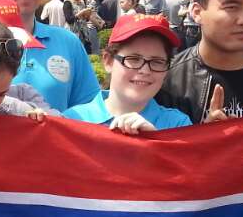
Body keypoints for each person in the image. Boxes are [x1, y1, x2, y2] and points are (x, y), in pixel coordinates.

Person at [64, 13, 192, 132]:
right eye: (134, 59)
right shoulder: (73, 120)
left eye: (157, 62)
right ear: (108, 61)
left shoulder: (178, 126)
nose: (145, 70)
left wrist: (156, 141)